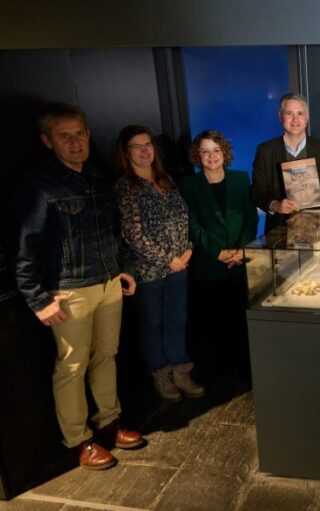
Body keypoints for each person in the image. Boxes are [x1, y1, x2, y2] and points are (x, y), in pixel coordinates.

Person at [11, 103, 144, 470]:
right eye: (64, 136)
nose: (75, 142)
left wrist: (123, 269)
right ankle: (78, 439)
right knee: (71, 366)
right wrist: (38, 300)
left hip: (108, 282)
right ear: (47, 140)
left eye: (80, 133)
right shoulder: (38, 184)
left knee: (106, 356)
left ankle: (109, 421)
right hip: (68, 290)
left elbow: (112, 233)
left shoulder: (98, 178)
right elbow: (24, 248)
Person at [114, 125, 205, 402]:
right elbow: (133, 235)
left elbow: (182, 219)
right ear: (126, 153)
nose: (144, 151)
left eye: (148, 144)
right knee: (152, 324)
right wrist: (169, 259)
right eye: (137, 146)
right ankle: (161, 375)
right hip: (148, 272)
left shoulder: (166, 181)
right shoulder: (126, 188)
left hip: (180, 266)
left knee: (177, 320)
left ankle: (181, 371)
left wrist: (188, 249)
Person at [178, 131, 258, 384]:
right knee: (212, 324)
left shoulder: (240, 178)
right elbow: (192, 224)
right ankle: (217, 376)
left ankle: (242, 374)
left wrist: (242, 250)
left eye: (216, 150)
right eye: (205, 151)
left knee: (238, 321)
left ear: (224, 153)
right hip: (208, 264)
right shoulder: (189, 185)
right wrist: (218, 251)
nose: (211, 156)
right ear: (197, 156)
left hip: (239, 262)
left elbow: (250, 217)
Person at [252, 92, 320, 221]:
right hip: (280, 230)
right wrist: (275, 205)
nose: (295, 119)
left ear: (307, 117)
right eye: (289, 113)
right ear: (280, 117)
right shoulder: (265, 151)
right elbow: (257, 193)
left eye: (300, 113)